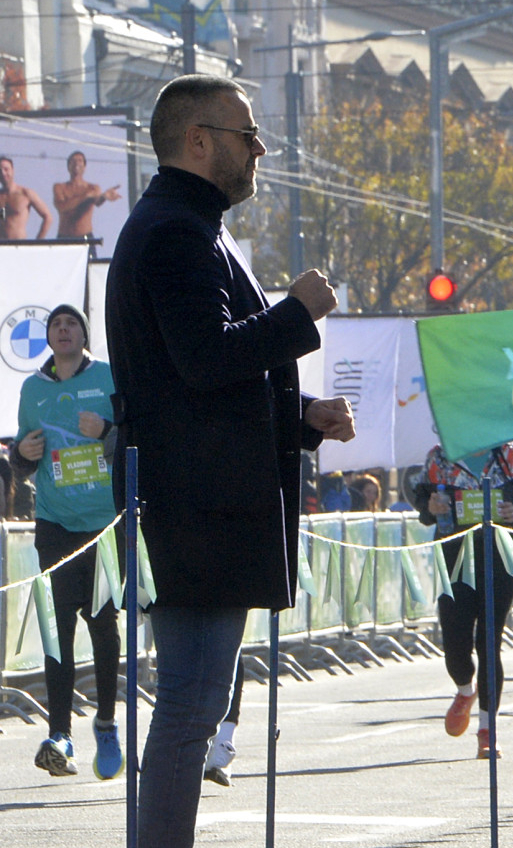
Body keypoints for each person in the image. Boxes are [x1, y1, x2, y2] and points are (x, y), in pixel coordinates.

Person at [105, 73, 355, 848]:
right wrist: (298, 313)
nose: (259, 151)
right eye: (248, 135)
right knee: (189, 703)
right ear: (199, 140)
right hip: (198, 505)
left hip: (203, 498)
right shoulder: (177, 232)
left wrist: (302, 419)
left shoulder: (189, 226)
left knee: (195, 701)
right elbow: (206, 360)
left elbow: (203, 386)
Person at [10, 304, 123, 779]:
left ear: (83, 335)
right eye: (55, 324)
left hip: (101, 523)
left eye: (71, 323)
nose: (62, 329)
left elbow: (136, 438)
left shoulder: (110, 378)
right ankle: (60, 735)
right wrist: (22, 453)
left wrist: (107, 433)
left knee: (101, 624)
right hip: (55, 522)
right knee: (58, 630)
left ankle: (105, 723)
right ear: (49, 340)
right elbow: (20, 461)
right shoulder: (32, 388)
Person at [412, 441, 513, 759]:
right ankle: (464, 690)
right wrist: (431, 507)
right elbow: (420, 500)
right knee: (455, 644)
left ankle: (487, 730)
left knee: (489, 642)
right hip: (454, 559)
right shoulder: (440, 457)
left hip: (498, 558)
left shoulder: (507, 456)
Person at [53, 150, 122, 239]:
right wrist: (85, 196)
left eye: (80, 160)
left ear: (84, 166)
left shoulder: (93, 188)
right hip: (64, 237)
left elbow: (97, 201)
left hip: (86, 237)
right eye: (73, 161)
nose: (76, 163)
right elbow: (62, 207)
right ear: (68, 166)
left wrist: (105, 196)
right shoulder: (60, 187)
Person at [1, 155, 53, 239]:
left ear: (13, 171)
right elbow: (2, 219)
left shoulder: (25, 193)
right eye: (0, 171)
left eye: (6, 169)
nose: (3, 173)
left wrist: (38, 242)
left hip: (20, 245)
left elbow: (48, 217)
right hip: (2, 247)